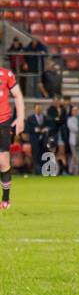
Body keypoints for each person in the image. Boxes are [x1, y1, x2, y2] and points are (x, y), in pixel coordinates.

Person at [0, 60, 22, 207]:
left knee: (3, 162)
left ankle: (6, 199)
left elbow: (18, 96)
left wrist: (20, 118)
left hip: (3, 122)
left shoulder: (6, 74)